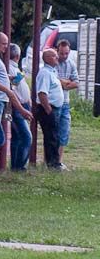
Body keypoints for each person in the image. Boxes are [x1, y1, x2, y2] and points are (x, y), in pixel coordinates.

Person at [0, 32, 32, 155]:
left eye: (7, 44)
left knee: (0, 138)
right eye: (3, 44)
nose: (5, 47)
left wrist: (8, 77)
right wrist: (6, 89)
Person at [34, 48, 64, 169]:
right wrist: (48, 110)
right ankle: (52, 164)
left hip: (55, 108)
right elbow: (42, 93)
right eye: (54, 56)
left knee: (55, 136)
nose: (57, 57)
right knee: (51, 137)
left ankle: (55, 161)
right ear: (46, 58)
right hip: (48, 109)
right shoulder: (45, 73)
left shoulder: (52, 72)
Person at [7, 43, 32, 171]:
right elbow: (13, 86)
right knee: (26, 137)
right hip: (18, 105)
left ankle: (15, 165)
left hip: (22, 104)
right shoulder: (10, 68)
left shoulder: (14, 68)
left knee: (17, 137)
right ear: (17, 56)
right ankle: (19, 166)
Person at [55, 39, 78, 167]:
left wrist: (62, 83)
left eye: (66, 53)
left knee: (64, 131)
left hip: (65, 102)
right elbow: (52, 80)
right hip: (54, 103)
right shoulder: (53, 62)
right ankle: (51, 160)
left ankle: (58, 161)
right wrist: (64, 82)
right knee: (53, 133)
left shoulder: (71, 64)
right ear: (57, 50)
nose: (64, 56)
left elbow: (76, 83)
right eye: (62, 53)